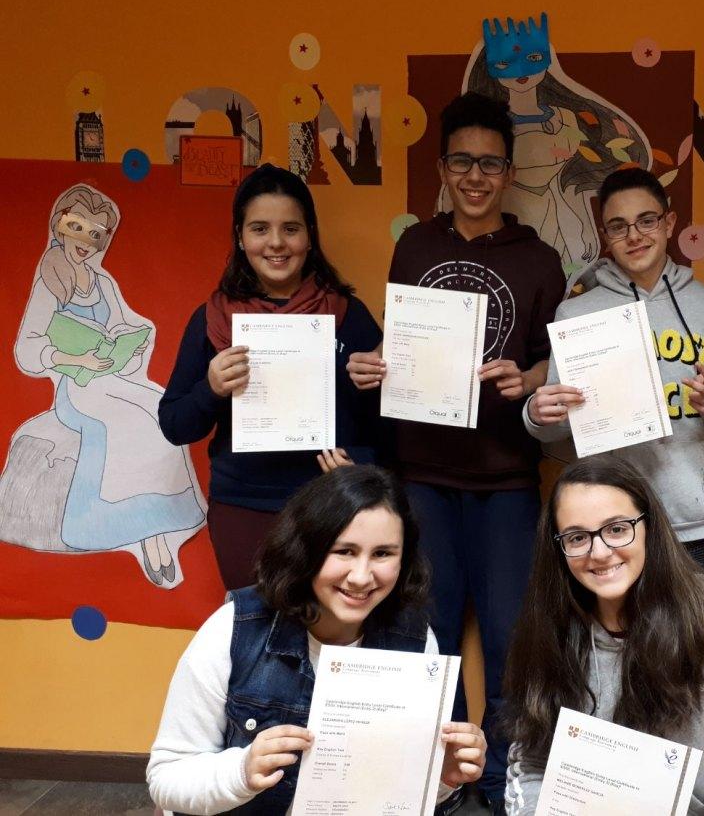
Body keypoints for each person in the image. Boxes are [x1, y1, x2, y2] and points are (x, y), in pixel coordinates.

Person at [347, 92, 566, 812]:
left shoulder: (539, 260)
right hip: (422, 474)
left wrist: (527, 378)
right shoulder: (415, 246)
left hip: (507, 475)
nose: (476, 176)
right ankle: (440, 780)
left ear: (509, 173)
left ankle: (502, 781)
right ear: (443, 168)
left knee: (510, 637)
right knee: (428, 636)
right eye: (463, 162)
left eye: (490, 164)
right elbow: (403, 345)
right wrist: (375, 366)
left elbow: (555, 360)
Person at [523, 166, 704, 753]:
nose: (634, 235)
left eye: (646, 221)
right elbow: (559, 432)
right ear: (604, 235)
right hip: (618, 536)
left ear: (669, 223)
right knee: (638, 681)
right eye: (618, 226)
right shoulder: (575, 317)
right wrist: (537, 414)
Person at [147, 465, 487, 815]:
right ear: (306, 549)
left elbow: (397, 797)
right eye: (344, 551)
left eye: (383, 554)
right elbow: (166, 778)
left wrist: (443, 778)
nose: (361, 577)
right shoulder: (235, 629)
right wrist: (242, 771)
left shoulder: (414, 641)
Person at [502, 455, 704, 815]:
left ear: (649, 525)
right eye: (577, 537)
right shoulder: (546, 627)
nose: (600, 552)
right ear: (558, 547)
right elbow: (529, 765)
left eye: (617, 529)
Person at [159, 164, 383, 590]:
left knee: (329, 625)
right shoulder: (213, 320)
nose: (276, 243)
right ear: (240, 237)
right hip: (242, 507)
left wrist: (359, 460)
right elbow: (174, 424)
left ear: (309, 237)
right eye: (260, 229)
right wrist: (211, 389)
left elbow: (387, 426)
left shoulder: (348, 316)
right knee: (253, 624)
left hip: (329, 506)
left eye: (290, 229)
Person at [2, 183, 204, 586]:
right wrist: (78, 359)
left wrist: (132, 340)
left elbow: (119, 326)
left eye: (95, 233)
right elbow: (28, 349)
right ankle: (135, 534)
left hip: (110, 377)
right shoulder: (51, 281)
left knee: (159, 410)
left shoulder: (102, 282)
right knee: (125, 423)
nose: (85, 241)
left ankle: (155, 528)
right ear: (59, 226)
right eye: (77, 228)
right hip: (78, 388)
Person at [458, 13, 651, 274]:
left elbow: (566, 182)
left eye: (533, 59)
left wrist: (582, 225)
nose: (521, 72)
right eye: (505, 63)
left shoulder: (565, 119)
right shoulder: (492, 129)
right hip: (506, 221)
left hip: (554, 214)